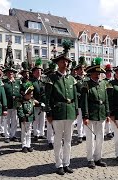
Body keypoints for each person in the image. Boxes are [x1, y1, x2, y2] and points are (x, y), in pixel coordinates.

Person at [45, 40, 77, 175]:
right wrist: (49, 113)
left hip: (69, 112)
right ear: (58, 63)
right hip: (57, 112)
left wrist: (75, 111)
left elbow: (75, 97)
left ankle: (66, 163)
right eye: (64, 62)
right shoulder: (52, 78)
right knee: (58, 140)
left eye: (67, 62)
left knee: (68, 140)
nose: (66, 63)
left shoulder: (71, 79)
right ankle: (58, 164)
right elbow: (47, 98)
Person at [81, 57, 109, 169]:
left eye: (99, 73)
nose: (98, 75)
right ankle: (90, 159)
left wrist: (107, 113)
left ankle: (98, 158)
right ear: (91, 73)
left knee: (100, 137)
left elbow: (106, 99)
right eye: (96, 73)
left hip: (101, 114)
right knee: (90, 138)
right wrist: (85, 116)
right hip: (91, 115)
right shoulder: (86, 85)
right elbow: (84, 101)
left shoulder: (103, 84)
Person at [2, 65, 21, 143]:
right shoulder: (4, 82)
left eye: (12, 72)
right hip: (7, 104)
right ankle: (7, 136)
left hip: (15, 105)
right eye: (9, 73)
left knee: (14, 121)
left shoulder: (17, 82)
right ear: (6, 74)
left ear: (14, 74)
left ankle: (13, 135)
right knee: (6, 121)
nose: (10, 74)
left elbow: (20, 92)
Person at [17, 82, 37, 153]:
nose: (31, 95)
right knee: (24, 132)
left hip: (30, 119)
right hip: (24, 119)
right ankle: (24, 145)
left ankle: (28, 145)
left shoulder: (31, 101)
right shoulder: (21, 101)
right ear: (26, 94)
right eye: (30, 94)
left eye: (32, 94)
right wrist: (22, 117)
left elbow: (33, 108)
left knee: (29, 132)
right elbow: (19, 110)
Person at [30, 58, 47, 141]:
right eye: (37, 71)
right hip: (35, 103)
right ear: (33, 72)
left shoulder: (43, 81)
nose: (38, 72)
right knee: (36, 119)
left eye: (40, 70)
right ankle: (36, 134)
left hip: (43, 103)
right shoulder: (31, 82)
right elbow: (30, 94)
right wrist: (36, 102)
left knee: (42, 119)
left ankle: (41, 133)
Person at [73, 56, 88, 143]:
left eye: (82, 69)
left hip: (86, 103)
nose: (81, 70)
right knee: (79, 120)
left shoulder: (87, 79)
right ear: (77, 71)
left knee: (85, 118)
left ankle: (85, 134)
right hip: (79, 102)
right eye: (80, 69)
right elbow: (74, 91)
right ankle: (80, 135)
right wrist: (79, 95)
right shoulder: (75, 80)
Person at [43, 61, 57, 149]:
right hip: (49, 104)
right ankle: (50, 140)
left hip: (56, 105)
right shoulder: (45, 82)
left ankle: (57, 139)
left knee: (56, 124)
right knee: (50, 123)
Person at [103, 64, 114, 139]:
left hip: (113, 101)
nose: (109, 74)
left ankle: (112, 130)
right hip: (106, 101)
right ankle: (107, 131)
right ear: (105, 73)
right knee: (107, 117)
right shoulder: (103, 82)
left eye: (110, 72)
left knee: (112, 117)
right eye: (108, 72)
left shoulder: (113, 81)